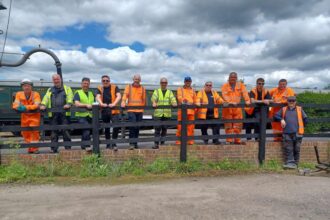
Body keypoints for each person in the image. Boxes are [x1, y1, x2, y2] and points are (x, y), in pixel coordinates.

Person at [40, 74, 73, 153]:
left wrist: (68, 103)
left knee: (66, 131)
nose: (56, 81)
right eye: (54, 79)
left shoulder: (67, 88)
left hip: (64, 114)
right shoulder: (50, 90)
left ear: (60, 79)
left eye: (57, 79)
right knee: (54, 132)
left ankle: (68, 148)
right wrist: (43, 105)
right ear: (52, 81)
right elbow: (46, 99)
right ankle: (54, 149)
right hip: (53, 114)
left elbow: (70, 97)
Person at [274, 96, 307, 169]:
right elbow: (276, 115)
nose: (291, 102)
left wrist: (301, 128)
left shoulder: (299, 109)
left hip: (298, 133)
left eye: (293, 101)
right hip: (287, 133)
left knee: (297, 149)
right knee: (288, 149)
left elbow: (305, 119)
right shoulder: (283, 109)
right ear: (287, 101)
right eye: (290, 101)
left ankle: (296, 164)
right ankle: (290, 164)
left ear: (295, 102)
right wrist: (281, 120)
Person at [12, 79, 41, 154]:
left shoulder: (36, 94)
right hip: (24, 117)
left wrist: (25, 107)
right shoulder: (19, 94)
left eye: (28, 86)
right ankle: (30, 148)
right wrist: (17, 107)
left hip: (34, 117)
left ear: (31, 87)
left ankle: (35, 149)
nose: (26, 87)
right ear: (22, 87)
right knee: (25, 133)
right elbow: (15, 104)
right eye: (25, 86)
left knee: (34, 133)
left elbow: (37, 105)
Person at [221, 72, 250, 144]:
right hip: (228, 109)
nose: (233, 79)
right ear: (229, 78)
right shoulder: (225, 86)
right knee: (228, 125)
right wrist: (231, 102)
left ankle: (237, 140)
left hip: (237, 109)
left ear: (236, 78)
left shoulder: (241, 85)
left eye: (234, 77)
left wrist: (247, 100)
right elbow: (224, 95)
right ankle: (229, 140)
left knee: (238, 125)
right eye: (231, 77)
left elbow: (245, 93)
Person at [96, 75, 121, 151]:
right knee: (106, 128)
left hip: (114, 110)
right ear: (102, 81)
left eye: (107, 80)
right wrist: (101, 103)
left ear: (109, 81)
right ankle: (107, 144)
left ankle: (113, 143)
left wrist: (114, 104)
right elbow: (97, 96)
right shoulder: (100, 88)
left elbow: (119, 96)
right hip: (104, 110)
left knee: (116, 126)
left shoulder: (114, 87)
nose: (105, 82)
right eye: (104, 80)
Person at [121, 74, 146, 150]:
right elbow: (125, 95)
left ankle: (135, 143)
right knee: (133, 127)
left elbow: (144, 100)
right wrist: (123, 101)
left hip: (140, 110)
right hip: (131, 110)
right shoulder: (129, 87)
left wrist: (143, 107)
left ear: (140, 80)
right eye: (135, 79)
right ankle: (132, 143)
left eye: (138, 79)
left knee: (137, 127)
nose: (137, 80)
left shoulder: (142, 88)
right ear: (133, 79)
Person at [151, 77, 177, 149]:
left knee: (164, 129)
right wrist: (154, 102)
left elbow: (173, 99)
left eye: (165, 83)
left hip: (166, 114)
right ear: (160, 83)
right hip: (158, 114)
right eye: (162, 83)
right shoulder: (157, 91)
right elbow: (153, 98)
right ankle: (156, 144)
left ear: (167, 84)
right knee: (157, 129)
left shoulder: (170, 92)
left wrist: (174, 103)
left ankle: (162, 144)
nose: (164, 84)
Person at [74, 77, 94, 152]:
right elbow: (77, 103)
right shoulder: (78, 92)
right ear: (81, 84)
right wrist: (86, 105)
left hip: (90, 115)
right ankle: (87, 145)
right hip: (81, 115)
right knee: (86, 129)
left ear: (89, 84)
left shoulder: (91, 93)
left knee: (87, 130)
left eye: (87, 83)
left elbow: (93, 103)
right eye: (84, 83)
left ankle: (83, 146)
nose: (86, 85)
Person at [176, 76, 196, 145]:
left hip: (191, 111)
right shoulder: (180, 89)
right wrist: (185, 101)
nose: (188, 82)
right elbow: (179, 97)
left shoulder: (193, 90)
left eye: (189, 81)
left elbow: (195, 100)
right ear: (184, 82)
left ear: (191, 82)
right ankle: (179, 141)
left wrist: (195, 109)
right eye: (186, 81)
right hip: (182, 111)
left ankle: (189, 141)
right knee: (180, 127)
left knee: (191, 127)